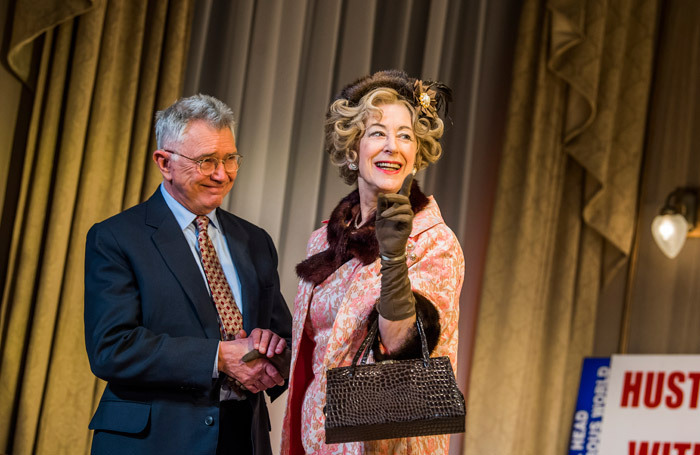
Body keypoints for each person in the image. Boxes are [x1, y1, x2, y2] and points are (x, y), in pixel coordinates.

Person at [84, 94, 293, 455]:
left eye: (230, 158)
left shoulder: (256, 240)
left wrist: (270, 351)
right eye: (206, 161)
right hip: (153, 442)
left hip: (242, 438)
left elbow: (283, 337)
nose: (222, 174)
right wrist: (219, 357)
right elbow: (111, 347)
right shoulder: (116, 237)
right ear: (164, 162)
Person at [281, 70, 465, 454]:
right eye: (378, 132)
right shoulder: (325, 239)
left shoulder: (434, 241)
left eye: (405, 135)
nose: (392, 147)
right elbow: (317, 344)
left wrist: (393, 257)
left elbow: (405, 347)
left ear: (416, 154)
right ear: (353, 149)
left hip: (385, 443)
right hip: (315, 441)